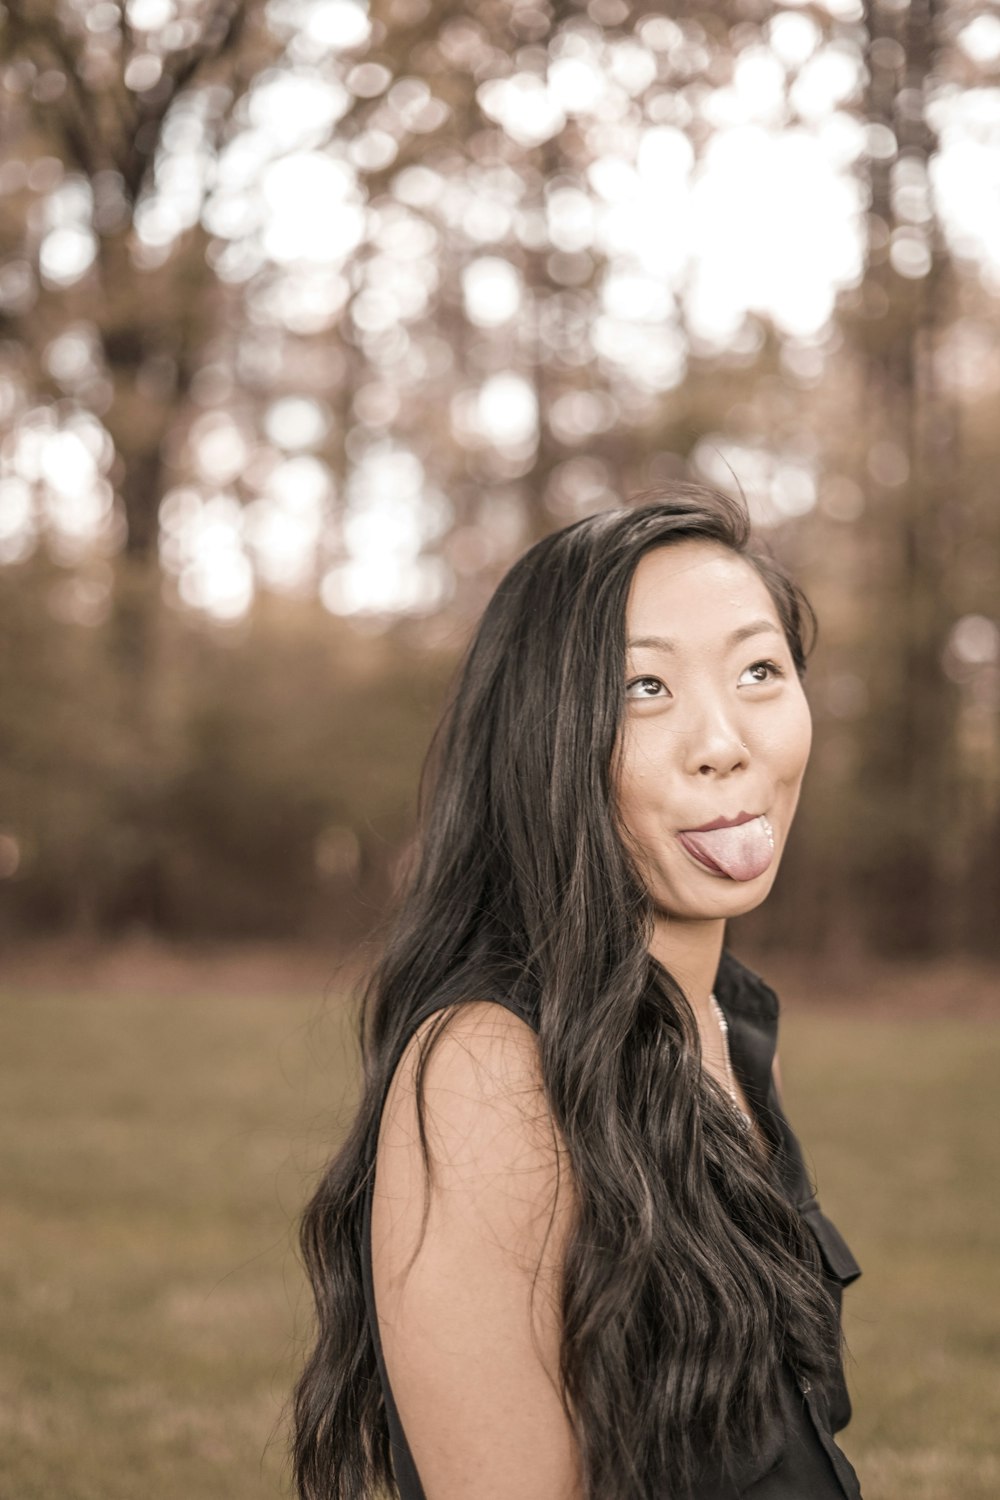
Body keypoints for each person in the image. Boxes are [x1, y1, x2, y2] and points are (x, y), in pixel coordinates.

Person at [293, 485, 865, 1500]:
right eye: (644, 688)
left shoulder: (727, 1021)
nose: (723, 740)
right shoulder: (488, 1067)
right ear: (545, 741)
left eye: (760, 670)